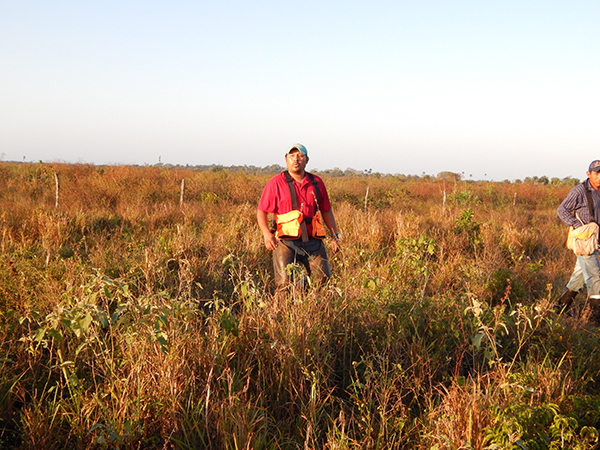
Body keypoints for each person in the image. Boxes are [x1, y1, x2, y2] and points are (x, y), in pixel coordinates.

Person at [257, 144, 340, 289]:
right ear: (286, 159)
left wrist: (334, 235)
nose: (296, 160)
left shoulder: (317, 182)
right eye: (292, 156)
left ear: (307, 160)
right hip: (285, 241)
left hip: (313, 241)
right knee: (284, 284)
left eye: (300, 156)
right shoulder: (276, 183)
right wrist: (266, 234)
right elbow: (262, 211)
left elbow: (326, 210)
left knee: (323, 279)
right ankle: (285, 309)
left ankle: (312, 306)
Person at [556, 160, 600, 318]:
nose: (599, 177)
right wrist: (576, 225)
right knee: (595, 277)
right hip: (584, 241)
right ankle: (596, 319)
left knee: (579, 276)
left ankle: (559, 308)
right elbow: (562, 210)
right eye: (596, 173)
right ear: (589, 174)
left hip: (595, 240)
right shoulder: (579, 191)